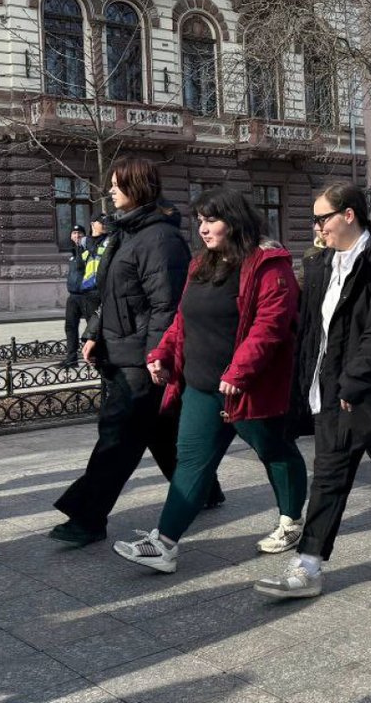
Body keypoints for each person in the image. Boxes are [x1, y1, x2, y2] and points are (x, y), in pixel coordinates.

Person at [256, 183, 371, 599]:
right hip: (332, 390)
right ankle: (308, 566)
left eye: (321, 217)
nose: (316, 226)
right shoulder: (324, 263)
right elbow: (313, 332)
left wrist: (357, 379)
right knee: (329, 477)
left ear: (348, 215)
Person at [112, 190, 305, 573]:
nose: (203, 228)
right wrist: (161, 353)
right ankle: (164, 545)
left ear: (234, 221)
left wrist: (239, 372)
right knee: (191, 463)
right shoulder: (202, 264)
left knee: (275, 451)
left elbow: (270, 326)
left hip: (247, 388)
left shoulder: (267, 265)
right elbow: (183, 320)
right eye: (199, 220)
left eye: (211, 220)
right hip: (201, 386)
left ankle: (291, 521)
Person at [52, 156, 218, 544]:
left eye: (116, 185)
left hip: (140, 358)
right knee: (158, 430)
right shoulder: (125, 232)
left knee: (118, 437)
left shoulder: (160, 239)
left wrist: (156, 355)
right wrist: (94, 331)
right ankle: (205, 490)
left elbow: (166, 305)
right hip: (121, 348)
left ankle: (87, 517)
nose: (110, 191)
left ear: (137, 187)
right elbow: (109, 292)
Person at [64, 224, 100, 367]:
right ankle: (71, 359)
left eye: (80, 233)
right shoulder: (72, 253)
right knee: (70, 327)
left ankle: (93, 356)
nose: (77, 236)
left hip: (87, 296)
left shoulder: (88, 250)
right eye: (74, 233)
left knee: (91, 327)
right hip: (73, 296)